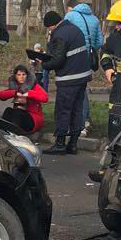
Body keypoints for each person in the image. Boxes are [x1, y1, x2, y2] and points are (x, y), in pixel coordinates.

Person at [30, 10, 92, 154]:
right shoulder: (74, 29)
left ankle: (60, 144)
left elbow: (57, 60)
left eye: (48, 28)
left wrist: (43, 63)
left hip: (68, 79)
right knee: (77, 110)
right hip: (82, 77)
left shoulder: (59, 35)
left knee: (63, 111)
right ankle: (73, 144)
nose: (48, 30)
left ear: (52, 25)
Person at [63, 1, 102, 140]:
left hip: (72, 59)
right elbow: (99, 42)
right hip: (86, 61)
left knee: (70, 90)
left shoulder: (70, 16)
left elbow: (63, 36)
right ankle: (83, 123)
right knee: (82, 90)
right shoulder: (95, 19)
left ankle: (70, 124)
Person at [0, 64, 48, 134]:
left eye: (23, 74)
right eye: (19, 75)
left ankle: (13, 134)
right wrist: (15, 93)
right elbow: (1, 95)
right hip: (19, 118)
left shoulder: (34, 86)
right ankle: (3, 133)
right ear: (15, 76)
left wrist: (29, 93)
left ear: (27, 75)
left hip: (33, 119)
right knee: (8, 110)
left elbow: (45, 97)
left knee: (18, 111)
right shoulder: (15, 86)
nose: (21, 77)